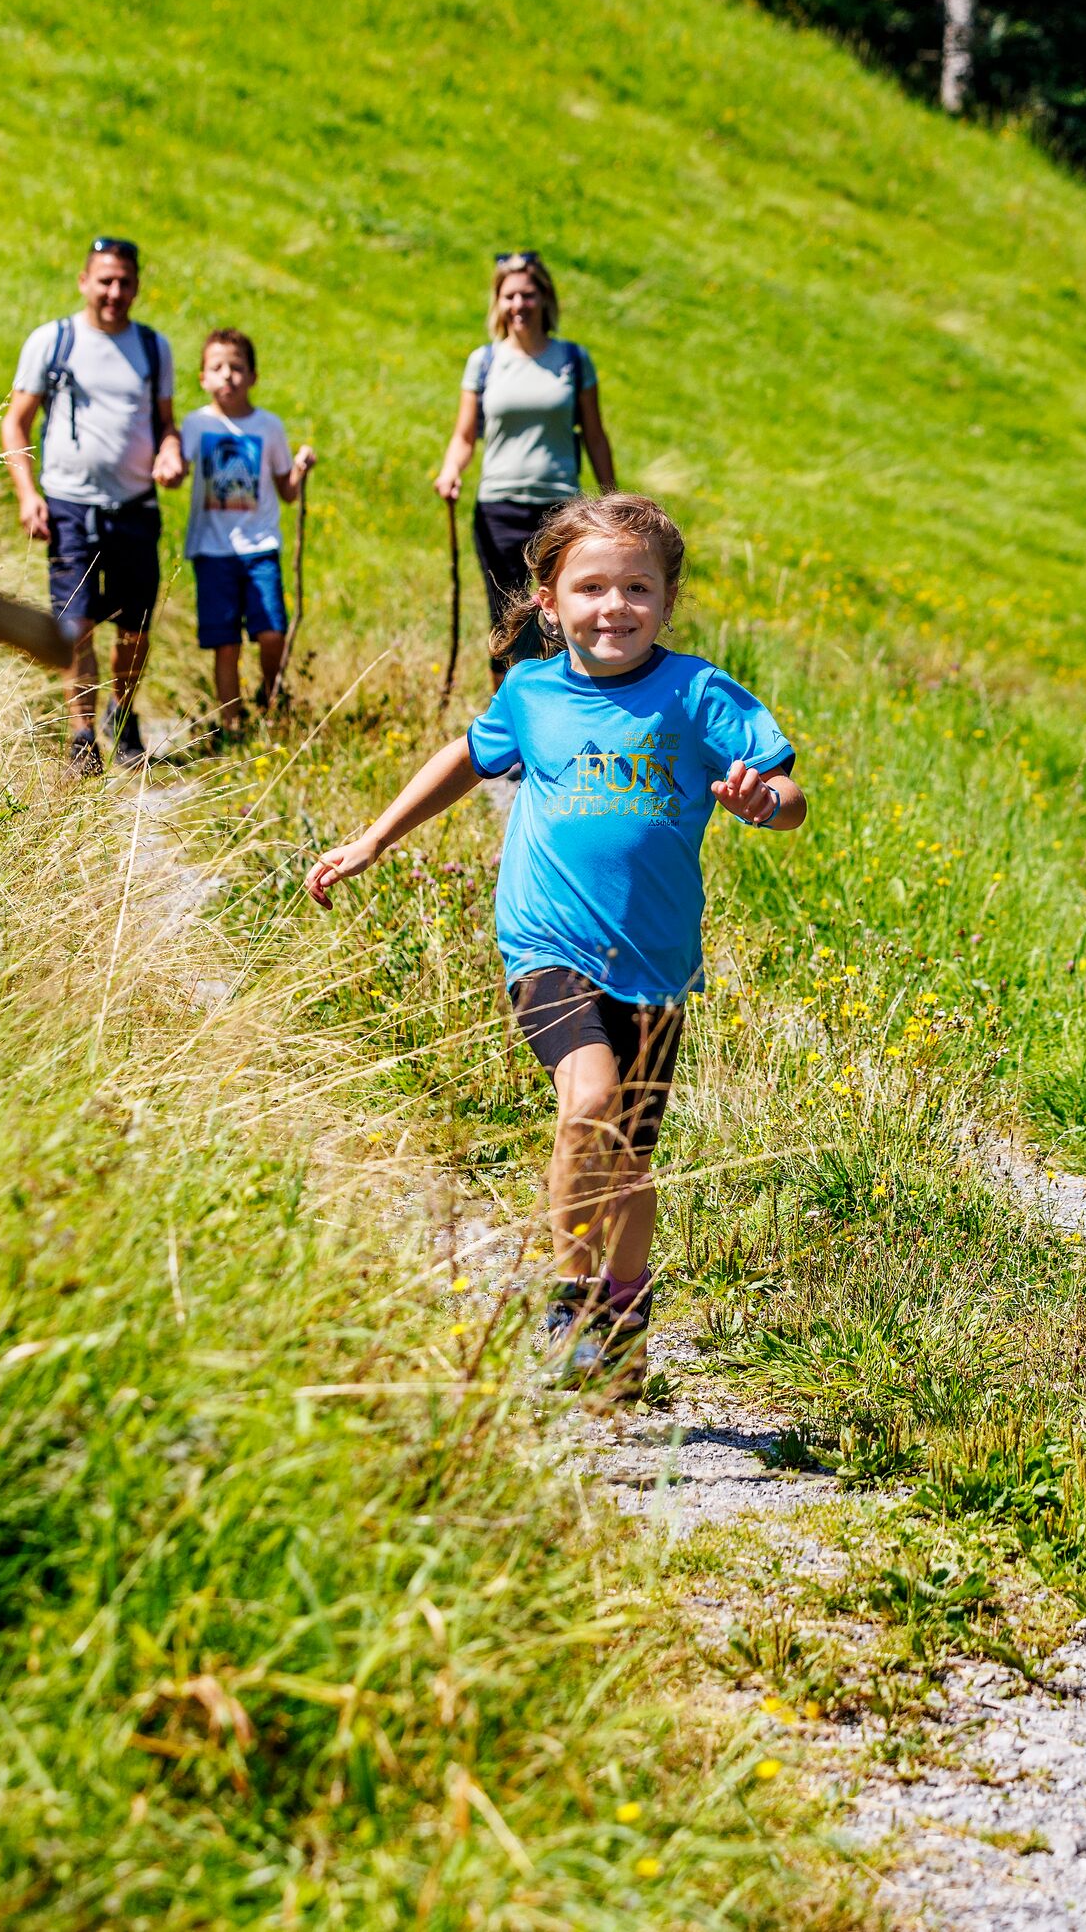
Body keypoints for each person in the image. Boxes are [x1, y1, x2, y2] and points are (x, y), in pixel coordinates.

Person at [305, 494, 801, 1394]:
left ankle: (623, 1322)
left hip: (653, 964)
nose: (615, 607)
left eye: (638, 589)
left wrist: (766, 803)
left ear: (667, 601)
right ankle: (568, 1307)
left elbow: (788, 792)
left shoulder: (695, 694)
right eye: (593, 587)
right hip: (547, 945)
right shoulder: (531, 694)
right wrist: (375, 839)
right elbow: (466, 758)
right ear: (548, 599)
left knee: (630, 1163)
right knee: (588, 1102)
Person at [2, 237, 182, 772]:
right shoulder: (53, 341)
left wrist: (171, 451)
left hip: (135, 508)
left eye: (125, 282)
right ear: (83, 281)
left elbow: (167, 423)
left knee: (136, 627)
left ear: (137, 287)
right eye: (105, 280)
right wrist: (28, 494)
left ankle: (122, 720)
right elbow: (16, 421)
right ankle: (82, 736)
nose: (115, 292)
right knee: (74, 622)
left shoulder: (153, 348)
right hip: (70, 506)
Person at [432, 252, 615, 681]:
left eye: (528, 295)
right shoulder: (485, 362)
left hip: (560, 510)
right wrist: (450, 471)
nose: (519, 304)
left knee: (559, 613)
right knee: (507, 615)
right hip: (498, 508)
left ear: (544, 299)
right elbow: (464, 435)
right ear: (498, 302)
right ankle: (506, 719)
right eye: (509, 295)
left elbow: (594, 435)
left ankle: (561, 708)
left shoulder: (572, 360)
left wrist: (610, 501)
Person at [167, 328, 316, 737]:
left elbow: (287, 491)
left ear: (253, 376)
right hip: (213, 551)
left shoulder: (268, 426)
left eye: (236, 367)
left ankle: (271, 704)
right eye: (216, 367)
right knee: (225, 642)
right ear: (202, 378)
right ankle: (231, 726)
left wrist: (301, 467)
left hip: (259, 546)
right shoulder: (195, 425)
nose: (227, 376)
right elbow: (177, 471)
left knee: (272, 632)